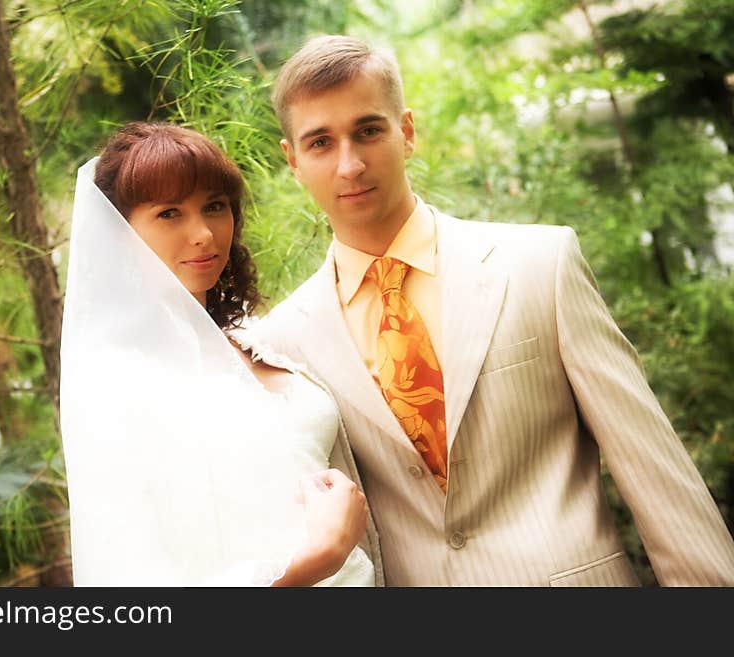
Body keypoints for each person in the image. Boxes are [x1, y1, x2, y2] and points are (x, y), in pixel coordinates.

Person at [250, 34, 734, 585]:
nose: (350, 164)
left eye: (368, 130)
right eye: (320, 142)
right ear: (292, 160)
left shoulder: (539, 264)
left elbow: (654, 471)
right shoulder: (283, 342)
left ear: (406, 131)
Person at [59, 122, 381, 586]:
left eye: (214, 206)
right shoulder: (117, 383)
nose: (204, 234)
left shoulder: (255, 341)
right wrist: (321, 556)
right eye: (170, 213)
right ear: (119, 233)